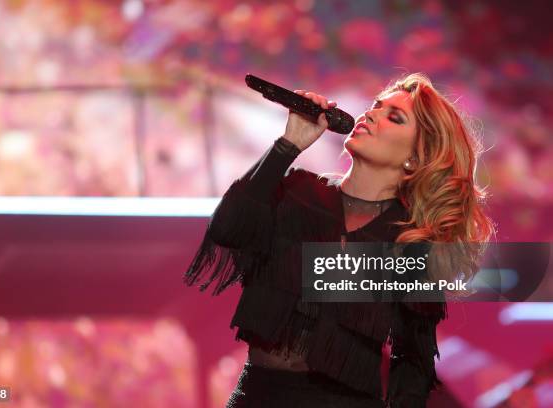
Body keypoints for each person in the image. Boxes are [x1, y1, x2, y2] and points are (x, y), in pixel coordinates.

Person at [184, 73, 495, 407]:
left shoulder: (408, 242)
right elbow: (228, 229)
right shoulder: (296, 194)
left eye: (395, 117)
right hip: (259, 396)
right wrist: (289, 144)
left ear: (415, 158)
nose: (371, 114)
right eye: (376, 106)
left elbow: (413, 364)